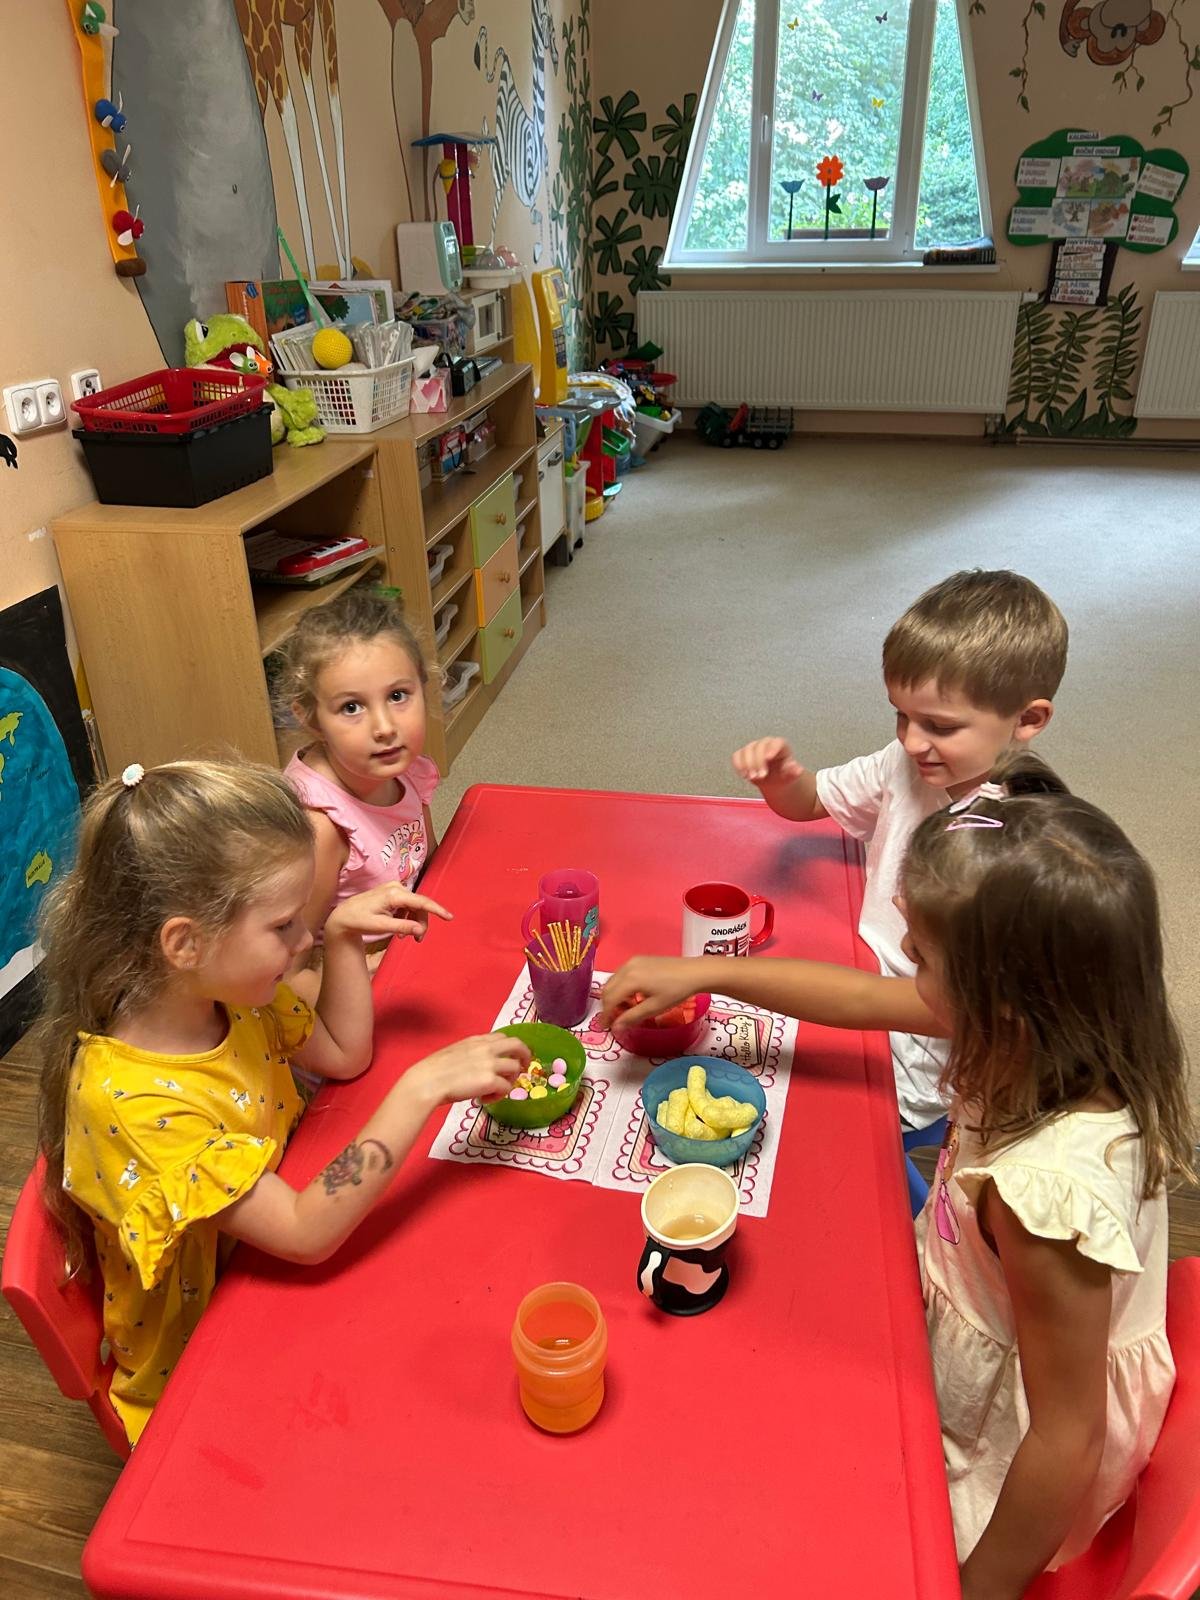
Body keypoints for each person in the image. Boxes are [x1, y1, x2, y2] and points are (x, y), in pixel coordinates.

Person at [602, 757, 1192, 1596]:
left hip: (1001, 1450)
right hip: (966, 1306)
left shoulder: (1044, 1203)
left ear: (999, 998)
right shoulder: (1037, 1028)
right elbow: (855, 997)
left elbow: (1066, 1439)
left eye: (921, 957)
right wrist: (705, 972)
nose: (904, 959)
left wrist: (970, 1589)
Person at [34, 759, 526, 1445]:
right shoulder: (135, 1105)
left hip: (277, 1266)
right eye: (285, 926)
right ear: (185, 942)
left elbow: (344, 1053)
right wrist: (421, 1088)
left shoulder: (227, 996)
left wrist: (342, 939)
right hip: (203, 1372)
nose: (303, 944)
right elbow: (303, 1231)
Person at [731, 568, 1067, 1132]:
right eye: (901, 715)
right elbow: (811, 799)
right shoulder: (905, 762)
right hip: (853, 969)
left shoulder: (1014, 842)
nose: (911, 740)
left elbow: (965, 1011)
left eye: (939, 725)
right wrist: (781, 780)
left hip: (915, 1062)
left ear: (1028, 719)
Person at [274, 588, 444, 955]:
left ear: (423, 686)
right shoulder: (321, 826)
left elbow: (434, 869)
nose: (384, 728)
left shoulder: (404, 769)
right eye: (351, 707)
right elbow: (293, 967)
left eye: (398, 696)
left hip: (412, 946)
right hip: (360, 972)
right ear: (311, 719)